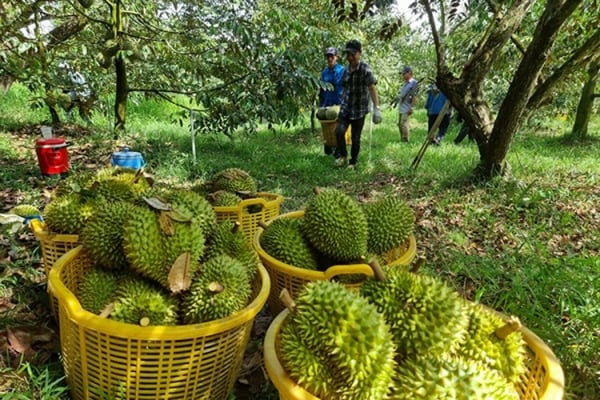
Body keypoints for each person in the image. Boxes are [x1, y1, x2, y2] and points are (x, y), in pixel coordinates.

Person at [334, 39, 381, 170]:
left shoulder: (365, 69)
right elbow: (344, 88)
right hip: (346, 107)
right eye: (348, 54)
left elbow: (372, 88)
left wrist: (377, 108)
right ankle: (343, 156)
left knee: (356, 138)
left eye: (353, 54)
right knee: (339, 131)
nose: (350, 57)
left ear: (359, 53)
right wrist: (340, 103)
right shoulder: (346, 70)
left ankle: (352, 162)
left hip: (359, 109)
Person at [318, 47, 345, 155]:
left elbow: (344, 87)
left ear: (336, 57)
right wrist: (321, 104)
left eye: (331, 56)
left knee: (337, 128)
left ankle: (339, 150)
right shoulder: (324, 72)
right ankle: (328, 149)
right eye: (328, 57)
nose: (329, 59)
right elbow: (321, 88)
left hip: (338, 103)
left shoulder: (341, 70)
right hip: (326, 103)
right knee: (327, 127)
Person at [397, 66, 418, 142]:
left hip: (407, 106)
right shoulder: (405, 83)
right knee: (400, 124)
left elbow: (414, 96)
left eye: (404, 73)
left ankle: (405, 140)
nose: (402, 75)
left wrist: (412, 107)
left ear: (409, 73)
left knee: (403, 123)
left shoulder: (413, 83)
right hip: (402, 106)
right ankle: (402, 139)